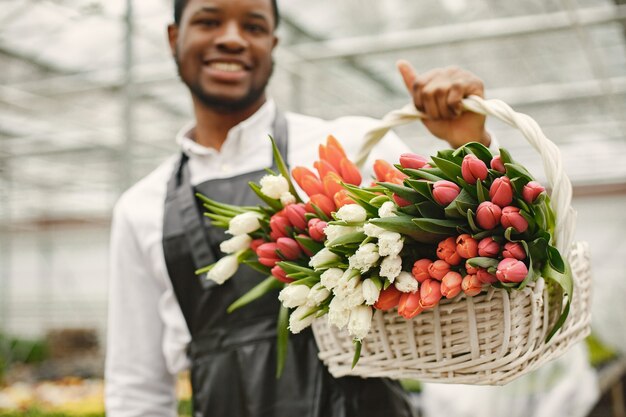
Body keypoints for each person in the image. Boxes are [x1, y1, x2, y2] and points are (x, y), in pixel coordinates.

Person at [104, 0, 492, 416]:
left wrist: (468, 146)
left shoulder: (353, 146)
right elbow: (137, 386)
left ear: (272, 43)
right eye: (209, 21)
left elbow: (471, 258)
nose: (232, 38)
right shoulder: (141, 207)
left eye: (252, 26)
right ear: (174, 37)